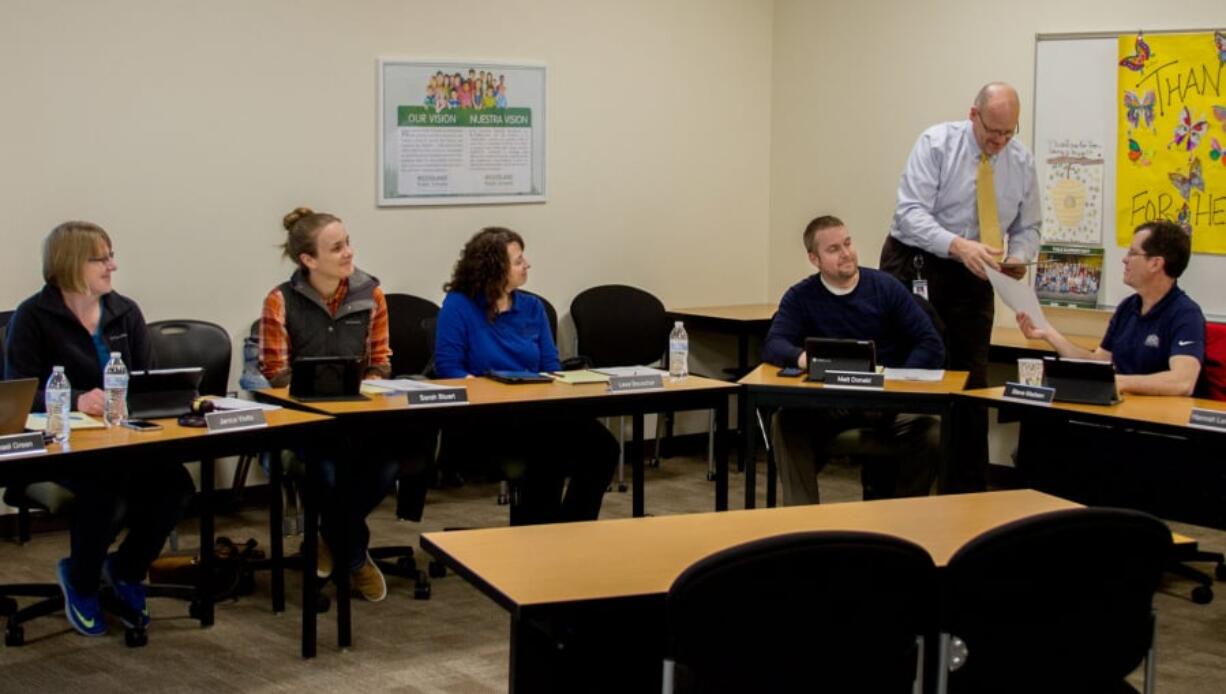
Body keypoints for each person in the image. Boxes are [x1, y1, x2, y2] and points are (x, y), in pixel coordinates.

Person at [3, 221, 194, 637]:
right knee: (106, 492)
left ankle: (125, 569)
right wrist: (76, 400)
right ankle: (81, 579)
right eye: (101, 258)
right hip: (61, 447)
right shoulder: (32, 317)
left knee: (175, 486)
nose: (113, 266)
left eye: (111, 256)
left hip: (123, 439)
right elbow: (19, 393)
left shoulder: (125, 311)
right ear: (71, 263)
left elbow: (148, 380)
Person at [880, 81, 1041, 492]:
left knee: (972, 380)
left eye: (1009, 133)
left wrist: (1019, 255)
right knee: (914, 370)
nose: (999, 141)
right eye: (993, 131)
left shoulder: (1020, 162)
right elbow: (910, 213)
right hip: (918, 263)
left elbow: (1029, 225)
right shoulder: (937, 144)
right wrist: (956, 245)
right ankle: (895, 488)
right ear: (974, 115)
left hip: (976, 272)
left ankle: (967, 494)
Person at [258, 207, 400, 602]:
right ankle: (353, 558)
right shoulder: (280, 301)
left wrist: (371, 382)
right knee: (327, 471)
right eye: (337, 248)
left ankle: (326, 539)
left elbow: (380, 359)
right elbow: (276, 373)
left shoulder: (370, 293)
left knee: (387, 464)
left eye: (348, 243)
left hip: (360, 419)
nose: (349, 253)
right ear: (308, 260)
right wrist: (318, 397)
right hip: (307, 424)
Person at [1015, 220, 1204, 511]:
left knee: (1090, 458)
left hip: (1152, 430)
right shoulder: (1128, 307)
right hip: (1113, 417)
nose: (1125, 260)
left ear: (1156, 263)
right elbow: (1098, 362)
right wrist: (1049, 334)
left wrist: (1120, 382)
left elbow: (1182, 381)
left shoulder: (1185, 314)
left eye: (1132, 253)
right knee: (1039, 434)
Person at [434, 227, 618, 525]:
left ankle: (572, 528)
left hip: (538, 410)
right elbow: (449, 368)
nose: (527, 264)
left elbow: (550, 365)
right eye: (518, 260)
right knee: (548, 450)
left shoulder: (532, 308)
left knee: (603, 447)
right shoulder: (459, 306)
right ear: (494, 267)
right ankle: (538, 535)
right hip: (487, 418)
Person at [763, 215, 945, 505]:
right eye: (833, 249)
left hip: (885, 402)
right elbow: (774, 344)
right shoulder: (801, 296)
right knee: (785, 421)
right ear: (815, 259)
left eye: (847, 243)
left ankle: (904, 519)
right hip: (830, 404)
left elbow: (930, 343)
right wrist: (803, 358)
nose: (846, 253)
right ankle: (802, 520)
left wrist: (896, 380)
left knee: (932, 432)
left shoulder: (885, 288)